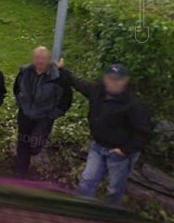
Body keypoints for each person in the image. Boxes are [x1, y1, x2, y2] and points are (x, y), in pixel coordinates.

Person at [58, 62, 151, 207]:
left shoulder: (133, 105)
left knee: (114, 188)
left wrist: (124, 150)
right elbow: (78, 83)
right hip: (98, 146)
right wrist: (61, 69)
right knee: (88, 180)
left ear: (125, 81)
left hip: (119, 154)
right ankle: (79, 210)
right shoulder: (97, 91)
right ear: (105, 79)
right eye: (110, 78)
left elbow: (143, 132)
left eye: (117, 79)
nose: (113, 82)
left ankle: (109, 217)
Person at [13, 47, 73, 176]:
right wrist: (21, 104)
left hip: (44, 117)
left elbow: (66, 99)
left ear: (49, 60)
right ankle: (20, 173)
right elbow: (17, 88)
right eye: (37, 58)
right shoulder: (24, 72)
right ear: (32, 58)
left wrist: (52, 115)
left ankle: (30, 156)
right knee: (23, 143)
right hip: (25, 114)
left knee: (34, 146)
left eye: (43, 58)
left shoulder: (57, 77)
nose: (40, 61)